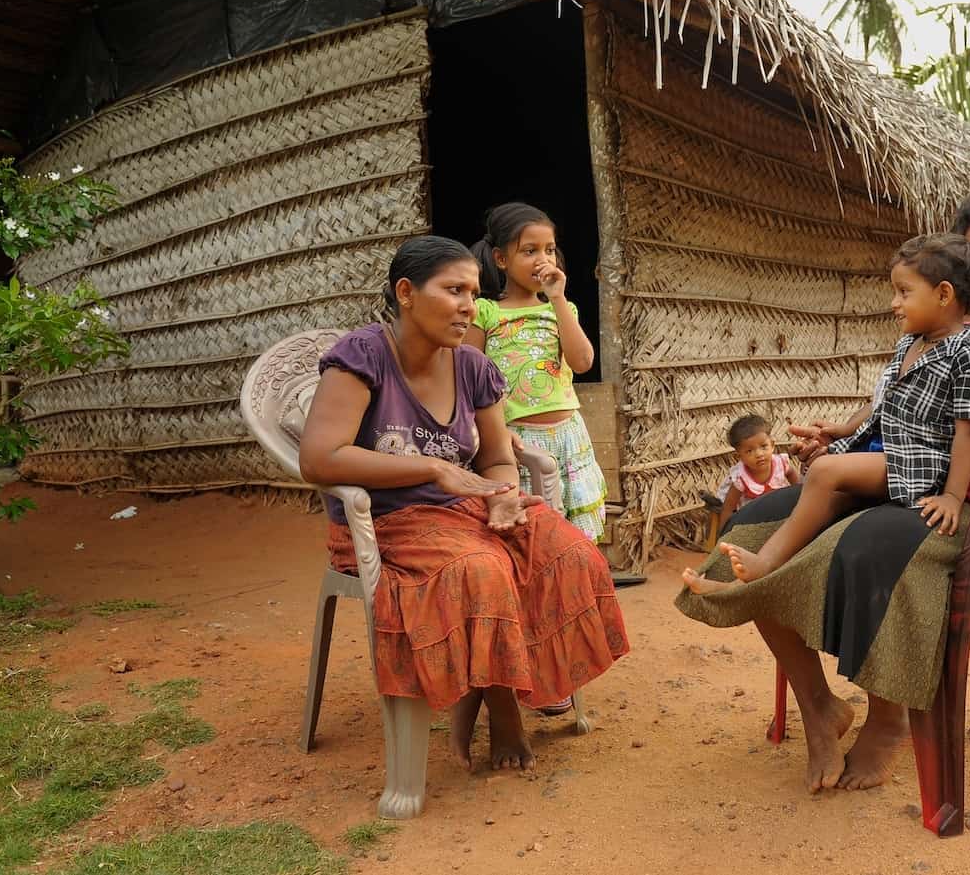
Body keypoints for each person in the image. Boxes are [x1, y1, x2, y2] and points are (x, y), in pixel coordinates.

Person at [676, 191, 970, 795]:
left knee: (860, 545)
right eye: (969, 258)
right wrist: (849, 429)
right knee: (754, 529)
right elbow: (908, 399)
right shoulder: (942, 336)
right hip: (910, 488)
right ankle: (819, 706)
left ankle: (888, 718)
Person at [299, 235, 629, 773]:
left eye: (473, 294)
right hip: (387, 523)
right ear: (406, 292)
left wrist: (501, 498)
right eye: (453, 290)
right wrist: (432, 467)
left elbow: (498, 459)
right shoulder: (364, 356)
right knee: (483, 568)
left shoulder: (473, 366)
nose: (467, 307)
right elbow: (320, 458)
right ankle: (500, 706)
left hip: (466, 511)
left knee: (568, 552)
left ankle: (492, 687)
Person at [685, 235, 970, 591]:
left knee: (824, 470)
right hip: (883, 453)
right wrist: (848, 428)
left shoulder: (968, 353)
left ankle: (766, 562)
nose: (894, 303)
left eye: (904, 292)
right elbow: (882, 401)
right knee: (826, 505)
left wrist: (953, 496)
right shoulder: (911, 342)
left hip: (917, 463)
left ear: (943, 294)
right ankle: (745, 589)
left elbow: (967, 432)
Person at [467, 203, 609, 543]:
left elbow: (583, 361)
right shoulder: (486, 312)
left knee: (577, 534)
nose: (542, 259)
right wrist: (496, 435)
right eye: (529, 251)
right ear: (501, 259)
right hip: (517, 440)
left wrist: (557, 298)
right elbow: (468, 378)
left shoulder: (561, 309)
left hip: (570, 436)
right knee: (532, 532)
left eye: (549, 250)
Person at [711, 414, 802, 534]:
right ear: (739, 456)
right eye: (749, 451)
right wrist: (722, 534)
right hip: (752, 518)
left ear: (772, 445)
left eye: (764, 446)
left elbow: (797, 485)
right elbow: (728, 508)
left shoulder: (781, 463)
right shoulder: (741, 479)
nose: (759, 454)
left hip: (778, 510)